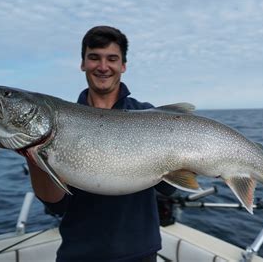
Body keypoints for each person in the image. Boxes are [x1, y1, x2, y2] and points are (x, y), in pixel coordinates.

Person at [26, 26, 175, 262]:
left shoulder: (149, 116)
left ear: (123, 65)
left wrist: (194, 163)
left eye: (112, 59)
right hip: (79, 255)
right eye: (94, 57)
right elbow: (56, 205)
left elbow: (168, 188)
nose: (103, 67)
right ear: (83, 63)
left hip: (140, 254)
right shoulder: (61, 120)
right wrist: (34, 156)